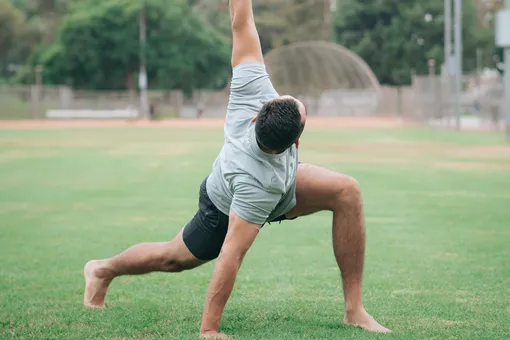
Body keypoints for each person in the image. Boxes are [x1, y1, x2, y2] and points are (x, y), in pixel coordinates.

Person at [83, 0, 390, 338]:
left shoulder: (251, 88)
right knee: (173, 258)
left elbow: (241, 22)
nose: (288, 97)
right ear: (293, 144)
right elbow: (231, 253)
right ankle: (102, 270)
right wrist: (209, 329)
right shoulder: (258, 183)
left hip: (281, 184)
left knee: (347, 190)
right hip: (224, 204)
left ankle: (354, 310)